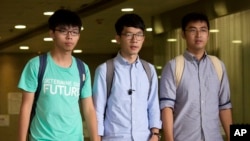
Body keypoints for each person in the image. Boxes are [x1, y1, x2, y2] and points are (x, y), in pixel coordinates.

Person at [18, 9, 99, 141]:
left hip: (75, 138)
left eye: (74, 32)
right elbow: (25, 108)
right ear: (52, 33)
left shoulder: (82, 68)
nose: (69, 36)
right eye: (63, 31)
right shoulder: (36, 65)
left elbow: (89, 108)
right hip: (42, 138)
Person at [159, 12, 233, 141]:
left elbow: (225, 106)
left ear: (208, 34)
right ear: (183, 34)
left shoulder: (218, 65)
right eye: (193, 30)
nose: (199, 35)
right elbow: (166, 108)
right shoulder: (174, 66)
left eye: (203, 30)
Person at [92, 13, 162, 141]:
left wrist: (155, 134)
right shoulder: (105, 70)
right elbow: (97, 110)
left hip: (144, 138)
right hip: (115, 137)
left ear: (143, 38)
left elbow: (153, 105)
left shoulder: (149, 70)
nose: (135, 40)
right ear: (118, 38)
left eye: (139, 35)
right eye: (129, 34)